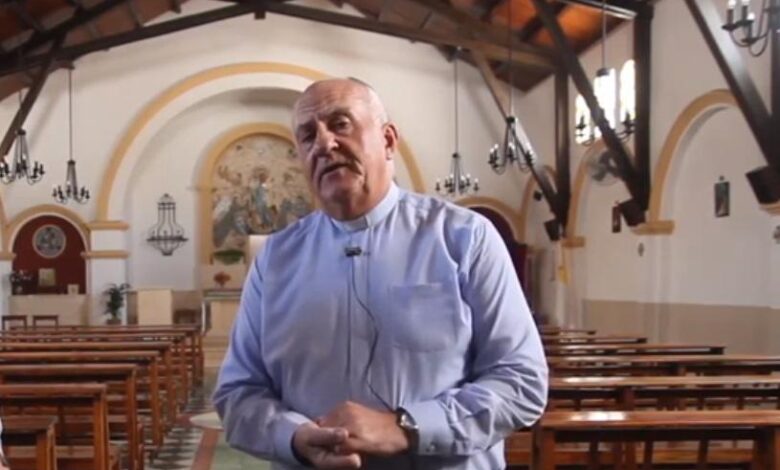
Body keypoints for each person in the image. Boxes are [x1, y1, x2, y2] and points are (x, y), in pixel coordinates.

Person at [213, 78, 548, 469]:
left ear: (388, 140)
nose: (323, 144)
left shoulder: (462, 238)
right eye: (307, 136)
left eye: (340, 124)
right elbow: (238, 393)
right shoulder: (275, 259)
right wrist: (295, 436)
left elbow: (521, 381)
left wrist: (406, 428)